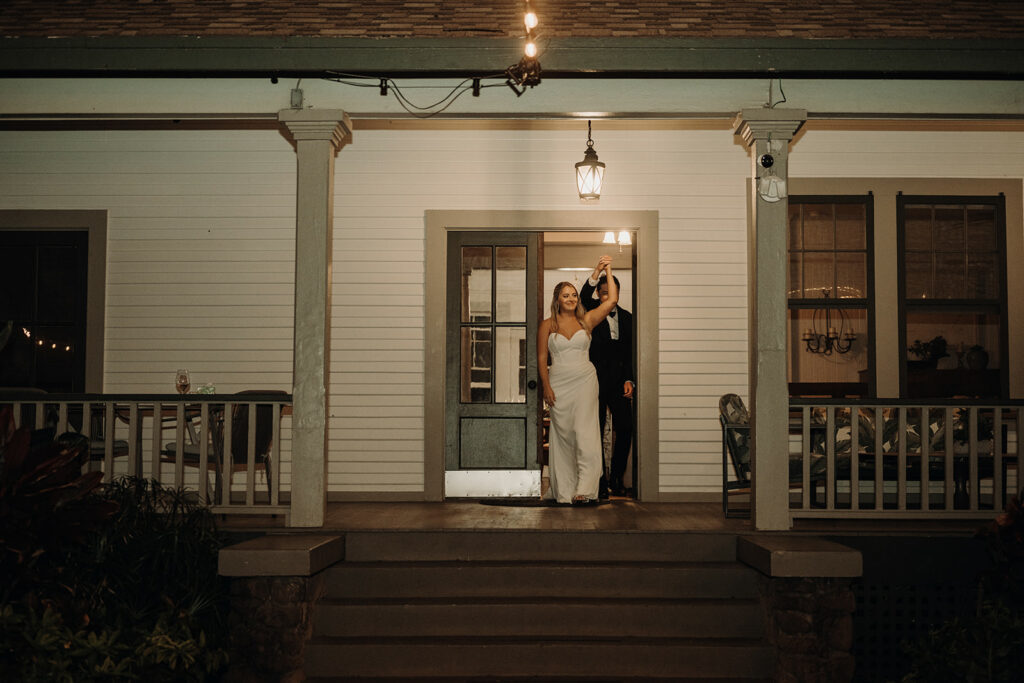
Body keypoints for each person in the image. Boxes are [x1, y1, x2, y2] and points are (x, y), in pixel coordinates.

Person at [538, 256, 618, 504]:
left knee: (585, 432)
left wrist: (606, 269)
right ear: (557, 300)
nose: (571, 298)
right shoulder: (547, 325)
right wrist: (546, 387)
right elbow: (541, 358)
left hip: (585, 380)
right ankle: (564, 488)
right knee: (563, 436)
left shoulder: (587, 320)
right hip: (558, 383)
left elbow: (612, 300)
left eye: (574, 295)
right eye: (566, 295)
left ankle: (584, 488)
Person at [580, 258, 634, 498]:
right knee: (596, 429)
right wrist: (598, 271)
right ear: (598, 295)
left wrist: (629, 379)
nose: (607, 297)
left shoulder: (629, 318)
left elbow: (631, 352)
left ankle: (617, 478)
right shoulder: (591, 311)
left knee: (626, 427)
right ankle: (600, 481)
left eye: (610, 293)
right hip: (595, 381)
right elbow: (583, 295)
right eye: (603, 293)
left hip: (619, 382)